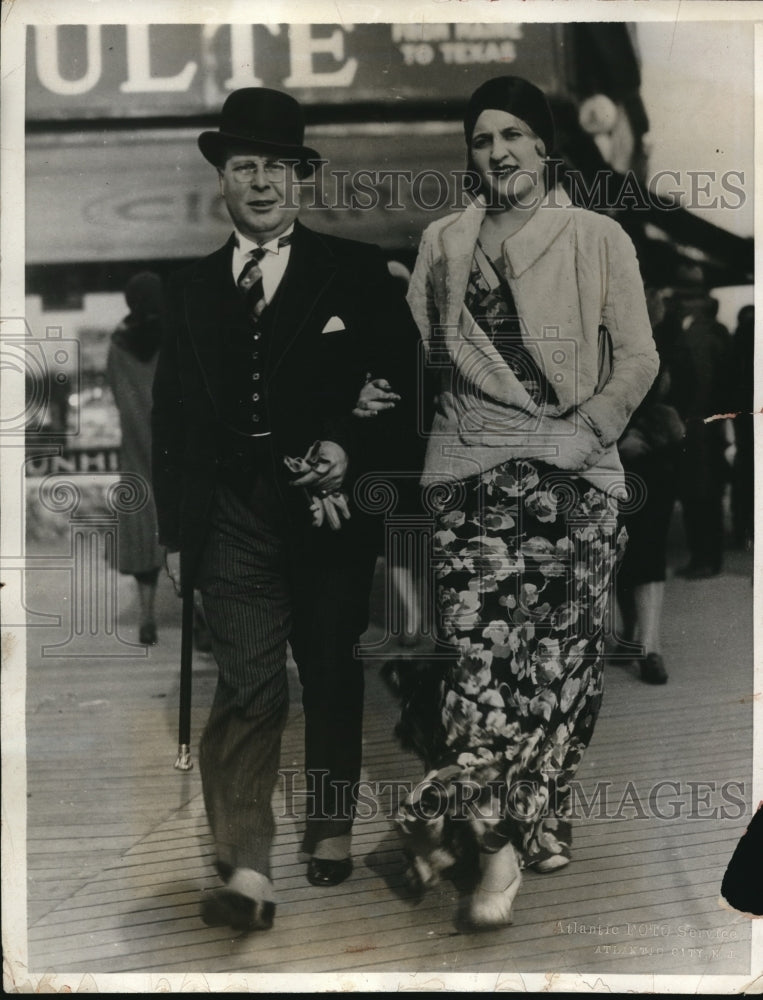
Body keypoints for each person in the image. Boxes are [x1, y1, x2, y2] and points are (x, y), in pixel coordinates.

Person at [360, 76, 658, 928]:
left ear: (545, 146)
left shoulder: (597, 236)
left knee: (558, 680)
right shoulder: (443, 241)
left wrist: (586, 430)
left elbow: (636, 359)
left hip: (575, 480)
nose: (498, 152)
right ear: (471, 152)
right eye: (483, 137)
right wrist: (381, 393)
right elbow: (423, 355)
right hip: (471, 480)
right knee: (479, 678)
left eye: (516, 134)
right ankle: (496, 857)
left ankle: (466, 820)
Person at [151, 87, 420, 933]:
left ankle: (333, 821)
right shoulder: (191, 288)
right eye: (243, 166)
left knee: (332, 670)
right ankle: (249, 865)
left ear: (303, 179)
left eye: (276, 165)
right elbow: (169, 420)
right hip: (228, 514)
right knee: (251, 682)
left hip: (326, 512)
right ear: (222, 182)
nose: (260, 181)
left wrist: (349, 452)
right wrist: (171, 534)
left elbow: (409, 390)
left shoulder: (354, 271)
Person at [614, 285, 691, 685]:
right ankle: (633, 637)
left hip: (654, 457)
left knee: (648, 547)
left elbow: (687, 391)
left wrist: (650, 430)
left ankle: (650, 647)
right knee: (619, 550)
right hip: (611, 454)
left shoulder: (665, 333)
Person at [106, 271, 165, 646]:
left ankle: (146, 616)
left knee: (145, 532)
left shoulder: (117, 344)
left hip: (136, 450)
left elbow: (117, 390)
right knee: (187, 534)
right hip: (174, 447)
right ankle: (203, 616)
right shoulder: (173, 338)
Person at [674, 291, 733, 578]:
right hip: (710, 426)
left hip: (698, 427)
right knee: (706, 494)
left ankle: (704, 559)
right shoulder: (717, 334)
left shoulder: (699, 337)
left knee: (699, 495)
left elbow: (702, 383)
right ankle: (708, 558)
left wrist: (691, 420)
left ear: (702, 306)